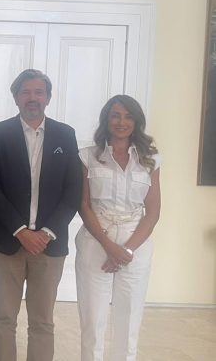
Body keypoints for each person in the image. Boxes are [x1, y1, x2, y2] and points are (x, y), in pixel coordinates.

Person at [0, 68, 82, 361]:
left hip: (49, 247)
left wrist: (46, 233)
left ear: (48, 98)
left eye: (39, 92)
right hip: (8, 244)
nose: (32, 98)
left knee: (42, 322)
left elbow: (73, 191)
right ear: (16, 98)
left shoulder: (66, 134)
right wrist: (20, 230)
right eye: (26, 92)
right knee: (4, 318)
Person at [75, 95, 161, 361]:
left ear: (136, 122)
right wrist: (109, 247)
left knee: (129, 321)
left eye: (128, 116)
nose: (121, 122)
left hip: (135, 244)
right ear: (106, 119)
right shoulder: (88, 156)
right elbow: (83, 205)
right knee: (93, 321)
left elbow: (153, 212)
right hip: (96, 241)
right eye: (115, 115)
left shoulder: (150, 159)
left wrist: (127, 250)